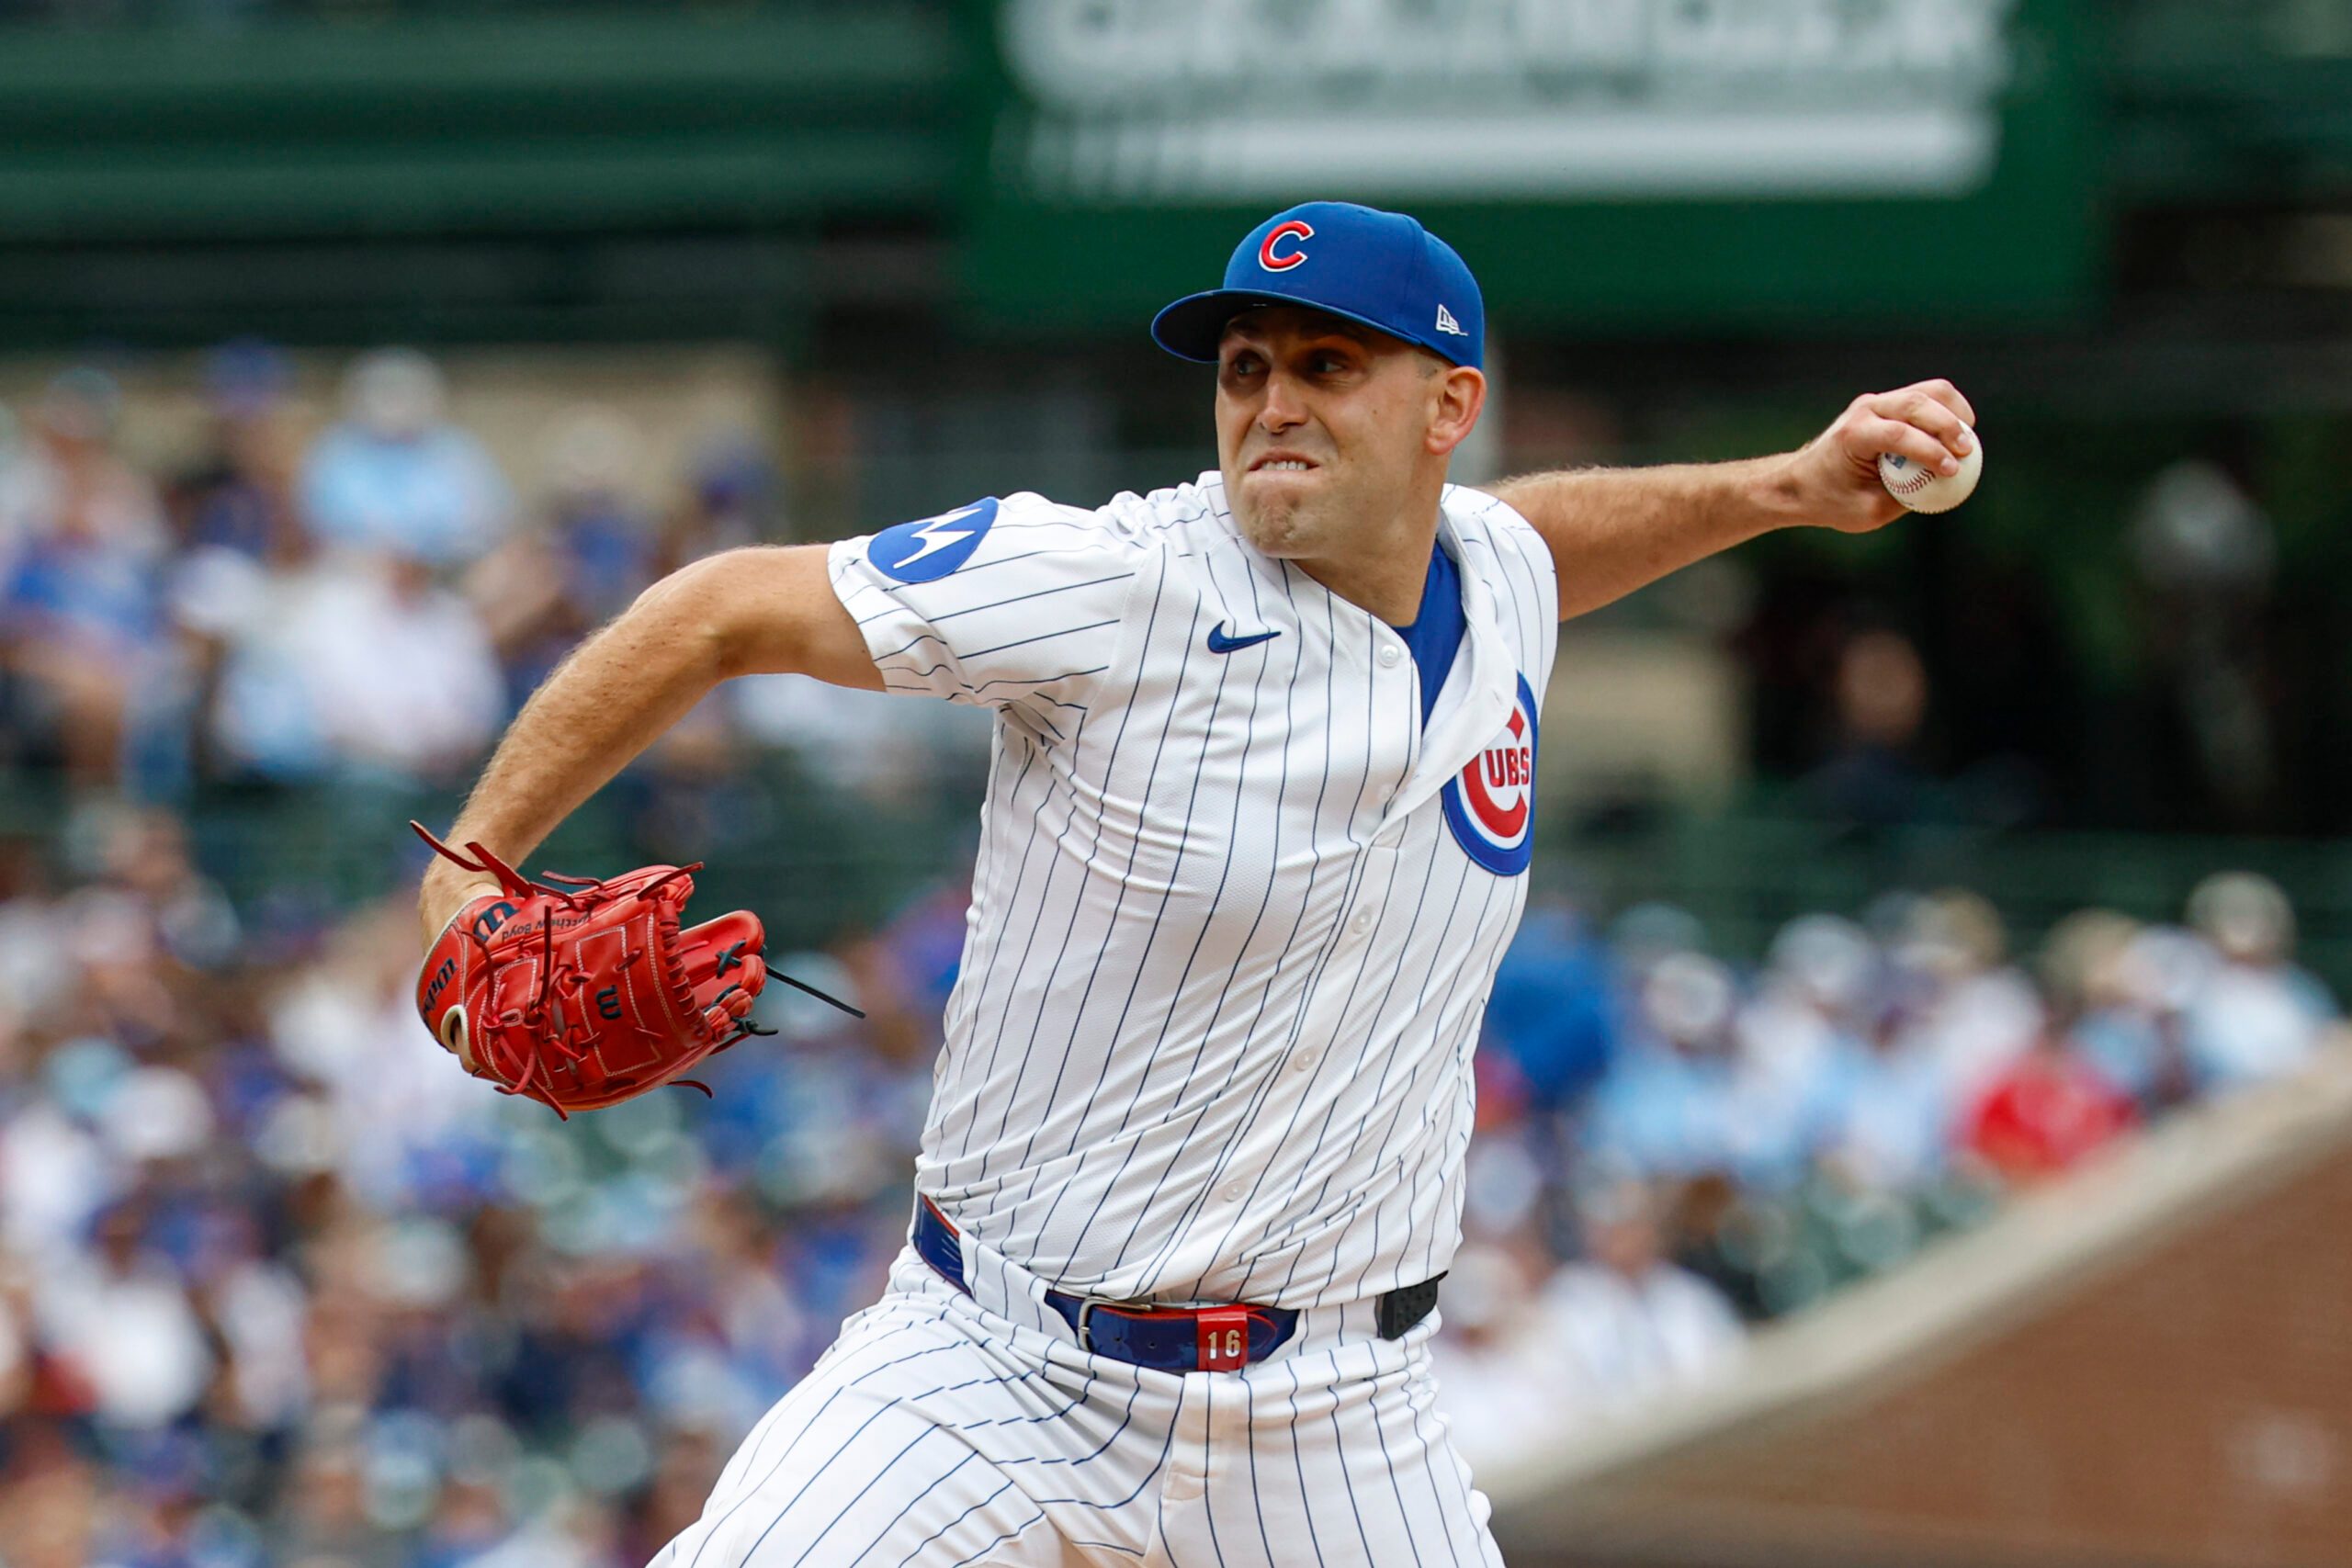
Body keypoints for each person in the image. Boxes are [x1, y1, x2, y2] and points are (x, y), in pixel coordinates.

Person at [416, 200, 1977, 1565]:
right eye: (1245, 368)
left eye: (1325, 365)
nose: (1271, 403)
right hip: (999, 1367)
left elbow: (1533, 540)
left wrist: (1786, 484)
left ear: (1451, 407)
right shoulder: (1121, 582)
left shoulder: (1492, 575)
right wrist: (474, 869)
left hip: (1336, 1418)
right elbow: (718, 611)